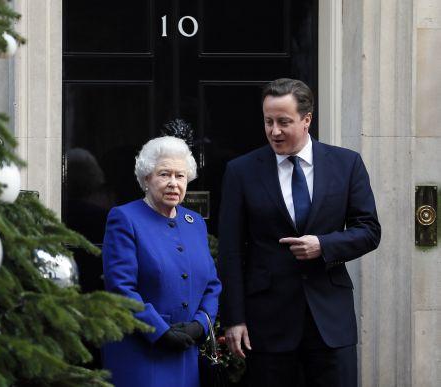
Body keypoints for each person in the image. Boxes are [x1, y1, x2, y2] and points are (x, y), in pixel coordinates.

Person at [218, 78, 381, 387]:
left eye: (284, 122)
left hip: (330, 322)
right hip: (267, 324)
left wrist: (324, 244)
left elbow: (369, 230)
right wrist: (234, 319)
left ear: (307, 120)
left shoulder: (346, 164)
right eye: (268, 121)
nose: (274, 131)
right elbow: (230, 250)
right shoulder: (241, 171)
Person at [102, 136, 222, 387]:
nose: (173, 183)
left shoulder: (194, 222)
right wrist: (160, 331)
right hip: (141, 351)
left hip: (186, 354)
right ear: (146, 178)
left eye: (180, 176)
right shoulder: (124, 218)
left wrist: (200, 326)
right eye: (164, 174)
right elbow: (121, 288)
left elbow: (211, 285)